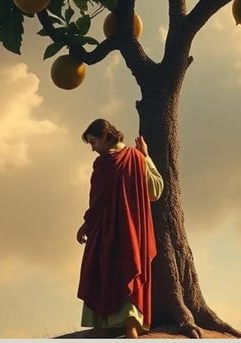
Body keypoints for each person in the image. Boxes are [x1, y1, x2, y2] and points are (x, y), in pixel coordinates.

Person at [76, 118, 164, 338]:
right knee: (128, 270)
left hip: (106, 230)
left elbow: (96, 202)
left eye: (94, 142)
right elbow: (156, 190)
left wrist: (86, 224)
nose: (94, 149)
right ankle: (130, 325)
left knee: (103, 271)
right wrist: (145, 156)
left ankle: (105, 324)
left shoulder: (104, 164)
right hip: (133, 234)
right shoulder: (137, 158)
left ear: (106, 136)